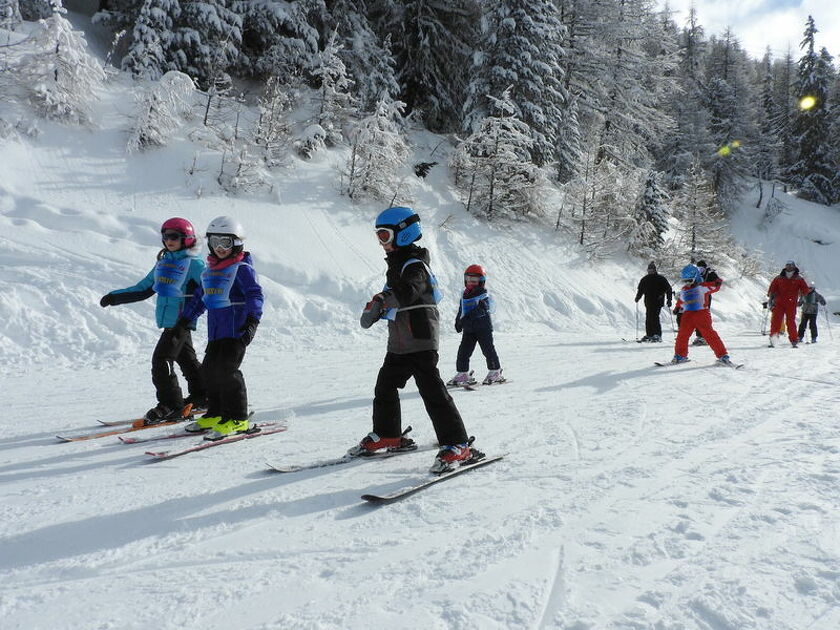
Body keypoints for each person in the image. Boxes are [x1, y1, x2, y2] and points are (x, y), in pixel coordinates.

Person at [354, 206, 483, 474]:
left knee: (432, 392)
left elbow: (411, 292)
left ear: (403, 234)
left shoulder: (414, 265)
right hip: (400, 342)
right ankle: (388, 433)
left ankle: (458, 444)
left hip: (421, 338)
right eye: (379, 237)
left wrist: (389, 288)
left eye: (385, 236)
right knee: (385, 386)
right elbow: (396, 295)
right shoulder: (398, 266)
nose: (382, 243)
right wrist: (379, 301)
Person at [99, 218, 206, 422]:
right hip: (169, 320)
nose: (169, 240)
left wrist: (193, 309)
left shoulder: (194, 264)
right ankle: (204, 394)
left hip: (181, 321)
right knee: (186, 359)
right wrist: (115, 297)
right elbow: (145, 288)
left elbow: (209, 289)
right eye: (165, 236)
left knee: (161, 360)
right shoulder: (164, 261)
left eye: (174, 236)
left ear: (187, 239)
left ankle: (171, 404)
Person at [178, 216, 264, 439]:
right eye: (215, 241)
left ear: (236, 243)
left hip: (237, 331)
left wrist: (253, 320)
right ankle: (216, 413)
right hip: (217, 333)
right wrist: (185, 319)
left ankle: (238, 419)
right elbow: (200, 298)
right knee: (208, 373)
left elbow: (255, 293)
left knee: (227, 373)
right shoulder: (209, 271)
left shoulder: (241, 268)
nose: (220, 248)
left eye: (225, 242)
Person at [447, 264, 504, 386]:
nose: (470, 283)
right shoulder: (465, 294)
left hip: (483, 328)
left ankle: (495, 371)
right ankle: (462, 373)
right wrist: (458, 321)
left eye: (474, 280)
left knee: (488, 350)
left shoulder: (484, 295)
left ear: (481, 282)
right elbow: (462, 310)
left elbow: (480, 310)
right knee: (463, 351)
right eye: (468, 279)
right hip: (469, 329)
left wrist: (466, 319)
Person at [670, 264, 734, 365]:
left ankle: (723, 356)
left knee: (710, 335)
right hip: (688, 315)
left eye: (689, 281)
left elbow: (715, 286)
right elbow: (681, 300)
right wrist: (677, 308)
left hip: (701, 314)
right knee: (682, 335)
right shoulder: (684, 289)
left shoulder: (702, 287)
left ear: (696, 278)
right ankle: (680, 355)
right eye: (685, 281)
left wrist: (718, 281)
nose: (687, 283)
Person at [767, 260, 809, 348]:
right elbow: (772, 289)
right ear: (785, 266)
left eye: (791, 265)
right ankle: (774, 340)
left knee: (790, 322)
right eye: (787, 265)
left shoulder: (799, 278)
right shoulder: (778, 278)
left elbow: (805, 290)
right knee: (776, 321)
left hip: (791, 304)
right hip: (779, 303)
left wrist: (802, 298)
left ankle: (794, 340)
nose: (789, 267)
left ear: (794, 266)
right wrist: (770, 300)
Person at [634, 262, 673, 342]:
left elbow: (668, 289)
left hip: (658, 301)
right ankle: (649, 334)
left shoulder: (661, 278)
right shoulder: (645, 279)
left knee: (654, 317)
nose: (650, 271)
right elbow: (640, 290)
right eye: (649, 270)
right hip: (648, 301)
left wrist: (669, 300)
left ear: (655, 270)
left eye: (652, 270)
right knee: (648, 318)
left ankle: (657, 335)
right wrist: (638, 297)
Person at [691, 260, 722, 346]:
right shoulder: (696, 275)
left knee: (704, 317)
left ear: (705, 268)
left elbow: (717, 282)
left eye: (701, 268)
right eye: (698, 268)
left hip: (706, 297)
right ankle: (699, 336)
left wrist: (710, 285)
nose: (700, 270)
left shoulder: (710, 273)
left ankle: (705, 336)